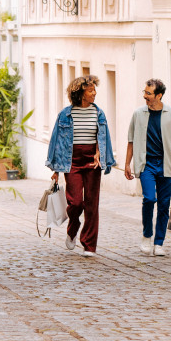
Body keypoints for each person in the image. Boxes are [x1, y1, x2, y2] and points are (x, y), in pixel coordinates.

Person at [46, 75, 115, 257]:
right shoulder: (65, 114)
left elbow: (103, 136)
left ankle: (89, 245)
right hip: (72, 161)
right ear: (80, 93)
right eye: (90, 90)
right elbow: (57, 141)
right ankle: (73, 227)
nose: (94, 94)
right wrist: (56, 170)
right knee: (75, 202)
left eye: (94, 90)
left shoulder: (98, 113)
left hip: (92, 161)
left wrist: (100, 152)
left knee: (92, 204)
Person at [123, 78, 171, 256]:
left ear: (159, 96)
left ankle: (159, 242)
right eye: (144, 92)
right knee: (149, 198)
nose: (144, 96)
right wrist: (127, 164)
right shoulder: (138, 114)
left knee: (163, 205)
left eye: (148, 93)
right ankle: (147, 235)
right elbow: (131, 140)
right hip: (146, 165)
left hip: (166, 165)